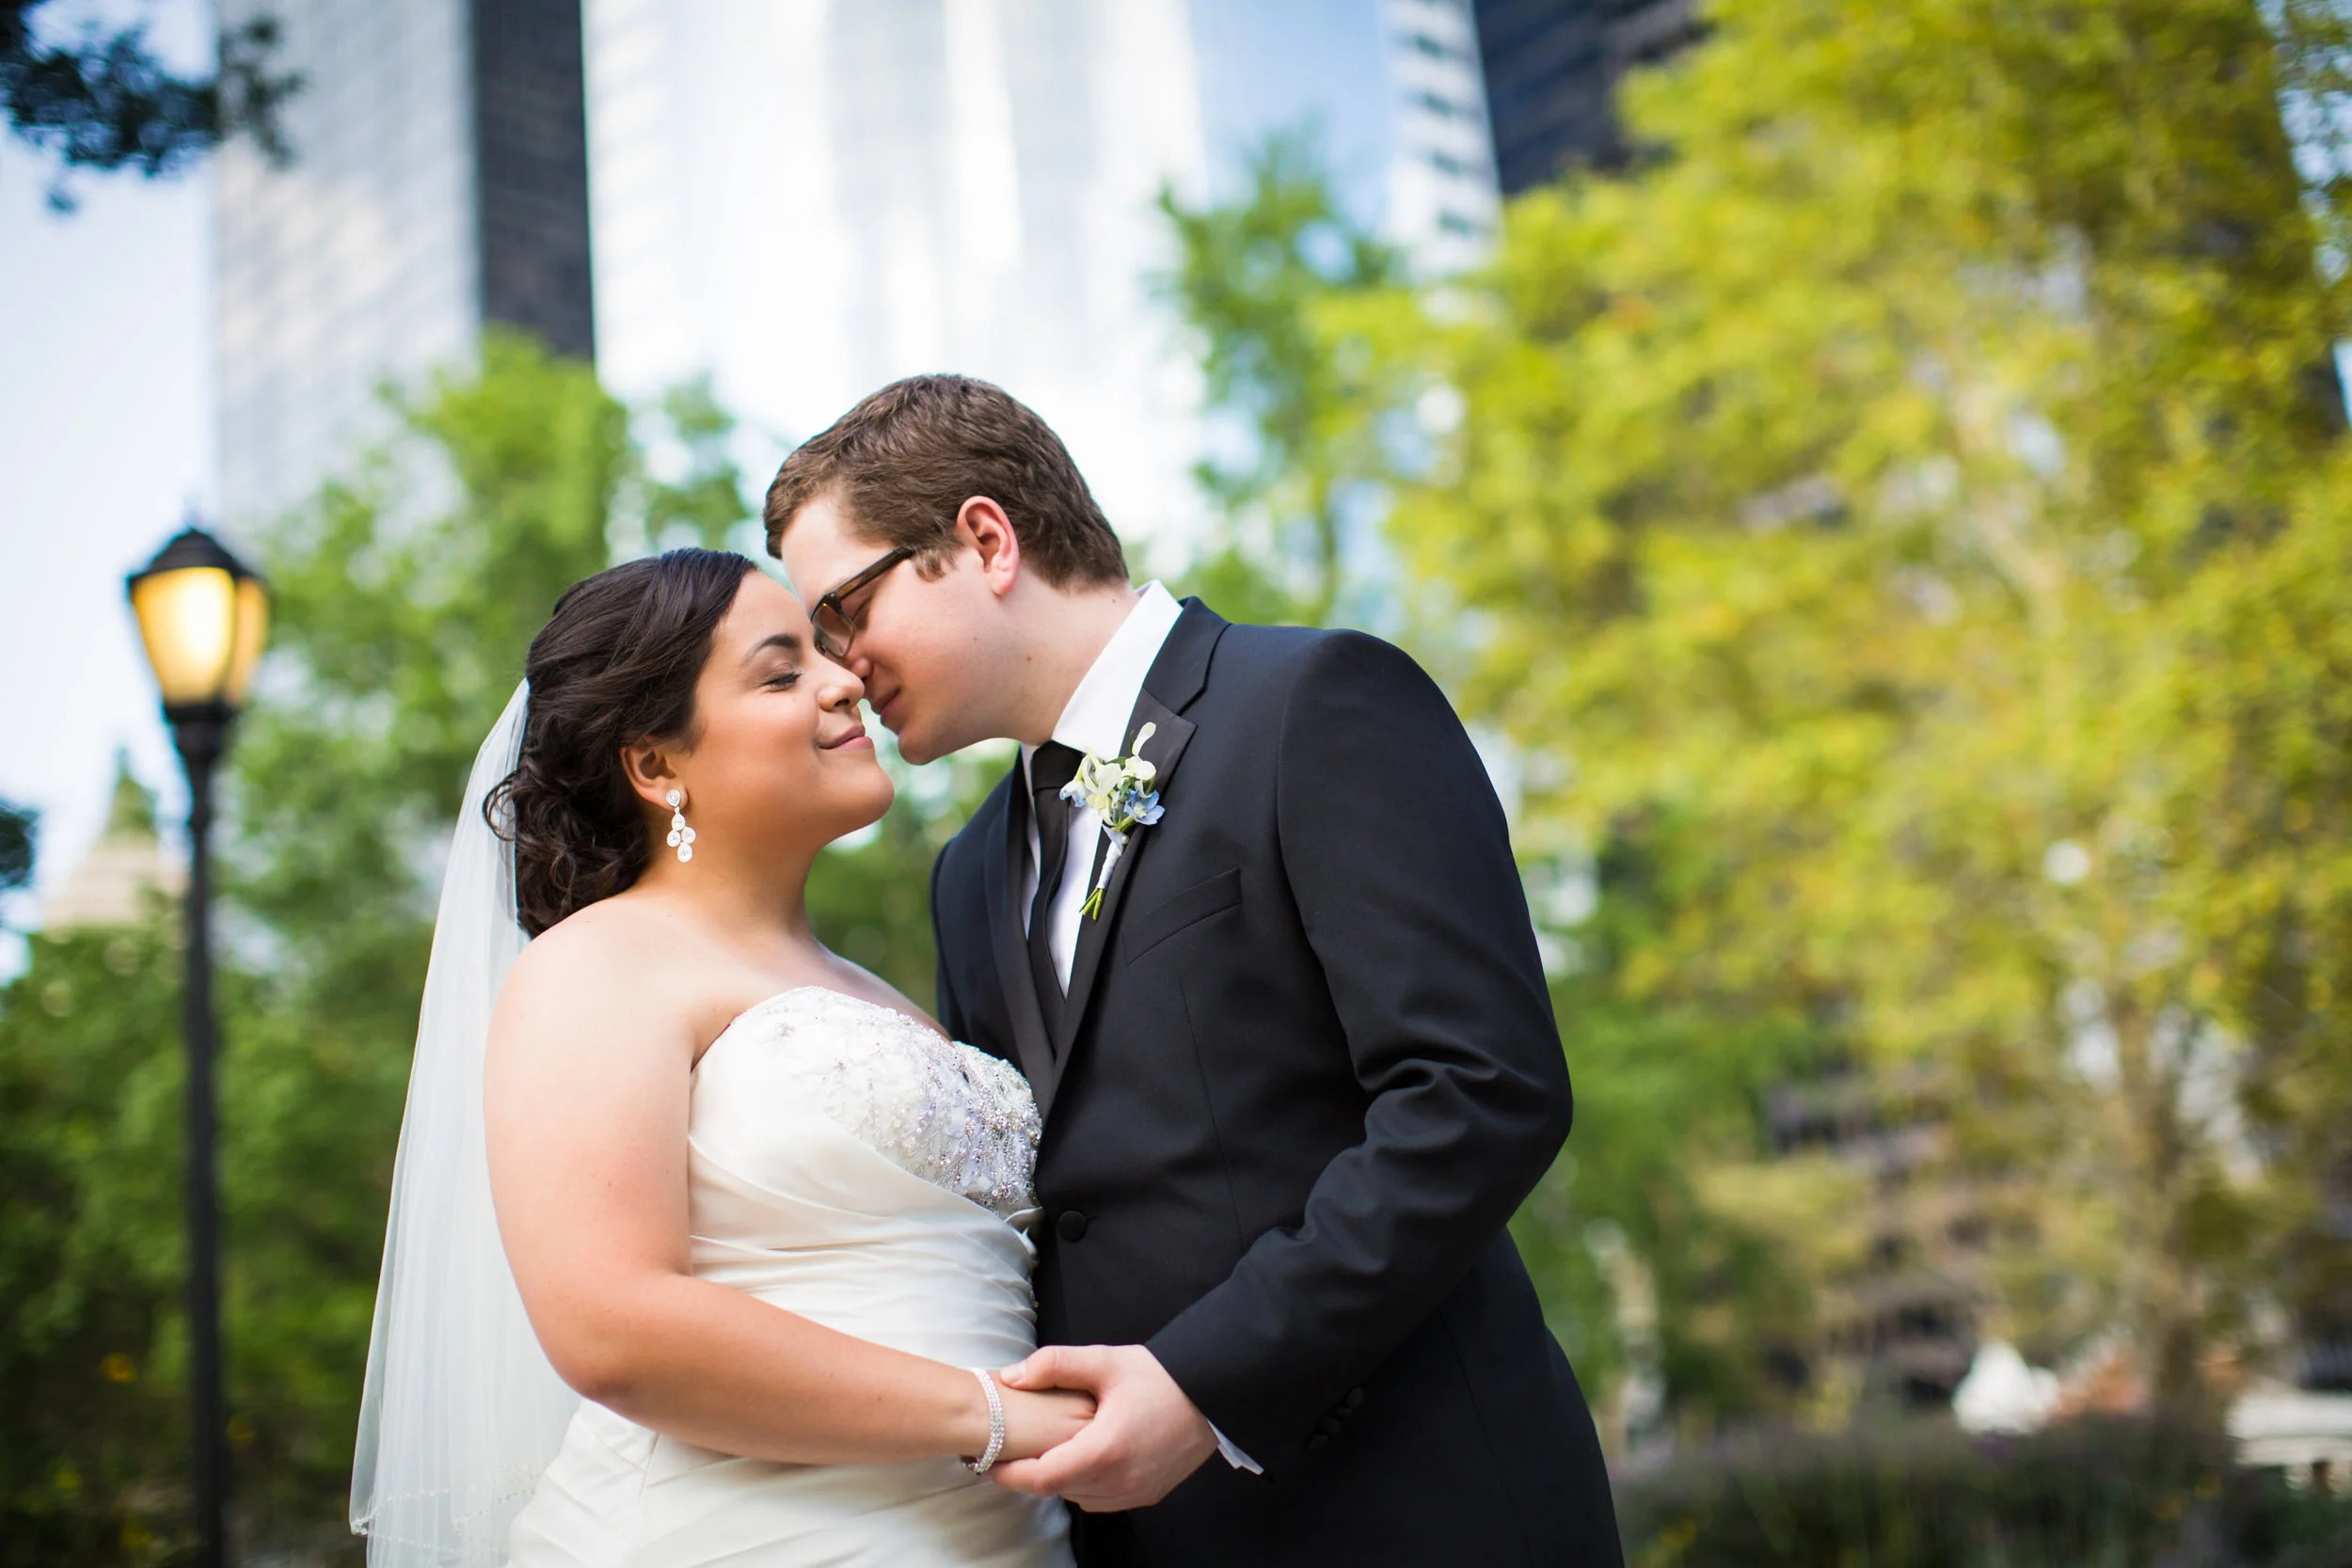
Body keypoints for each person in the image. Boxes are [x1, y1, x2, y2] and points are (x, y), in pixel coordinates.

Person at [770, 375, 1622, 1566]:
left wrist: (1204, 1383)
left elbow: (1480, 1092)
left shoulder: (1313, 703)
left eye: (843, 609)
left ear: (982, 538)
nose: (843, 667)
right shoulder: (966, 873)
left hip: (1413, 1509)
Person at [351, 548, 1086, 1567]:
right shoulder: (598, 965)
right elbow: (615, 1324)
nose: (844, 680)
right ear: (656, 765)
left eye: (823, 655)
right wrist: (996, 1414)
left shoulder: (887, 997)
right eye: (781, 672)